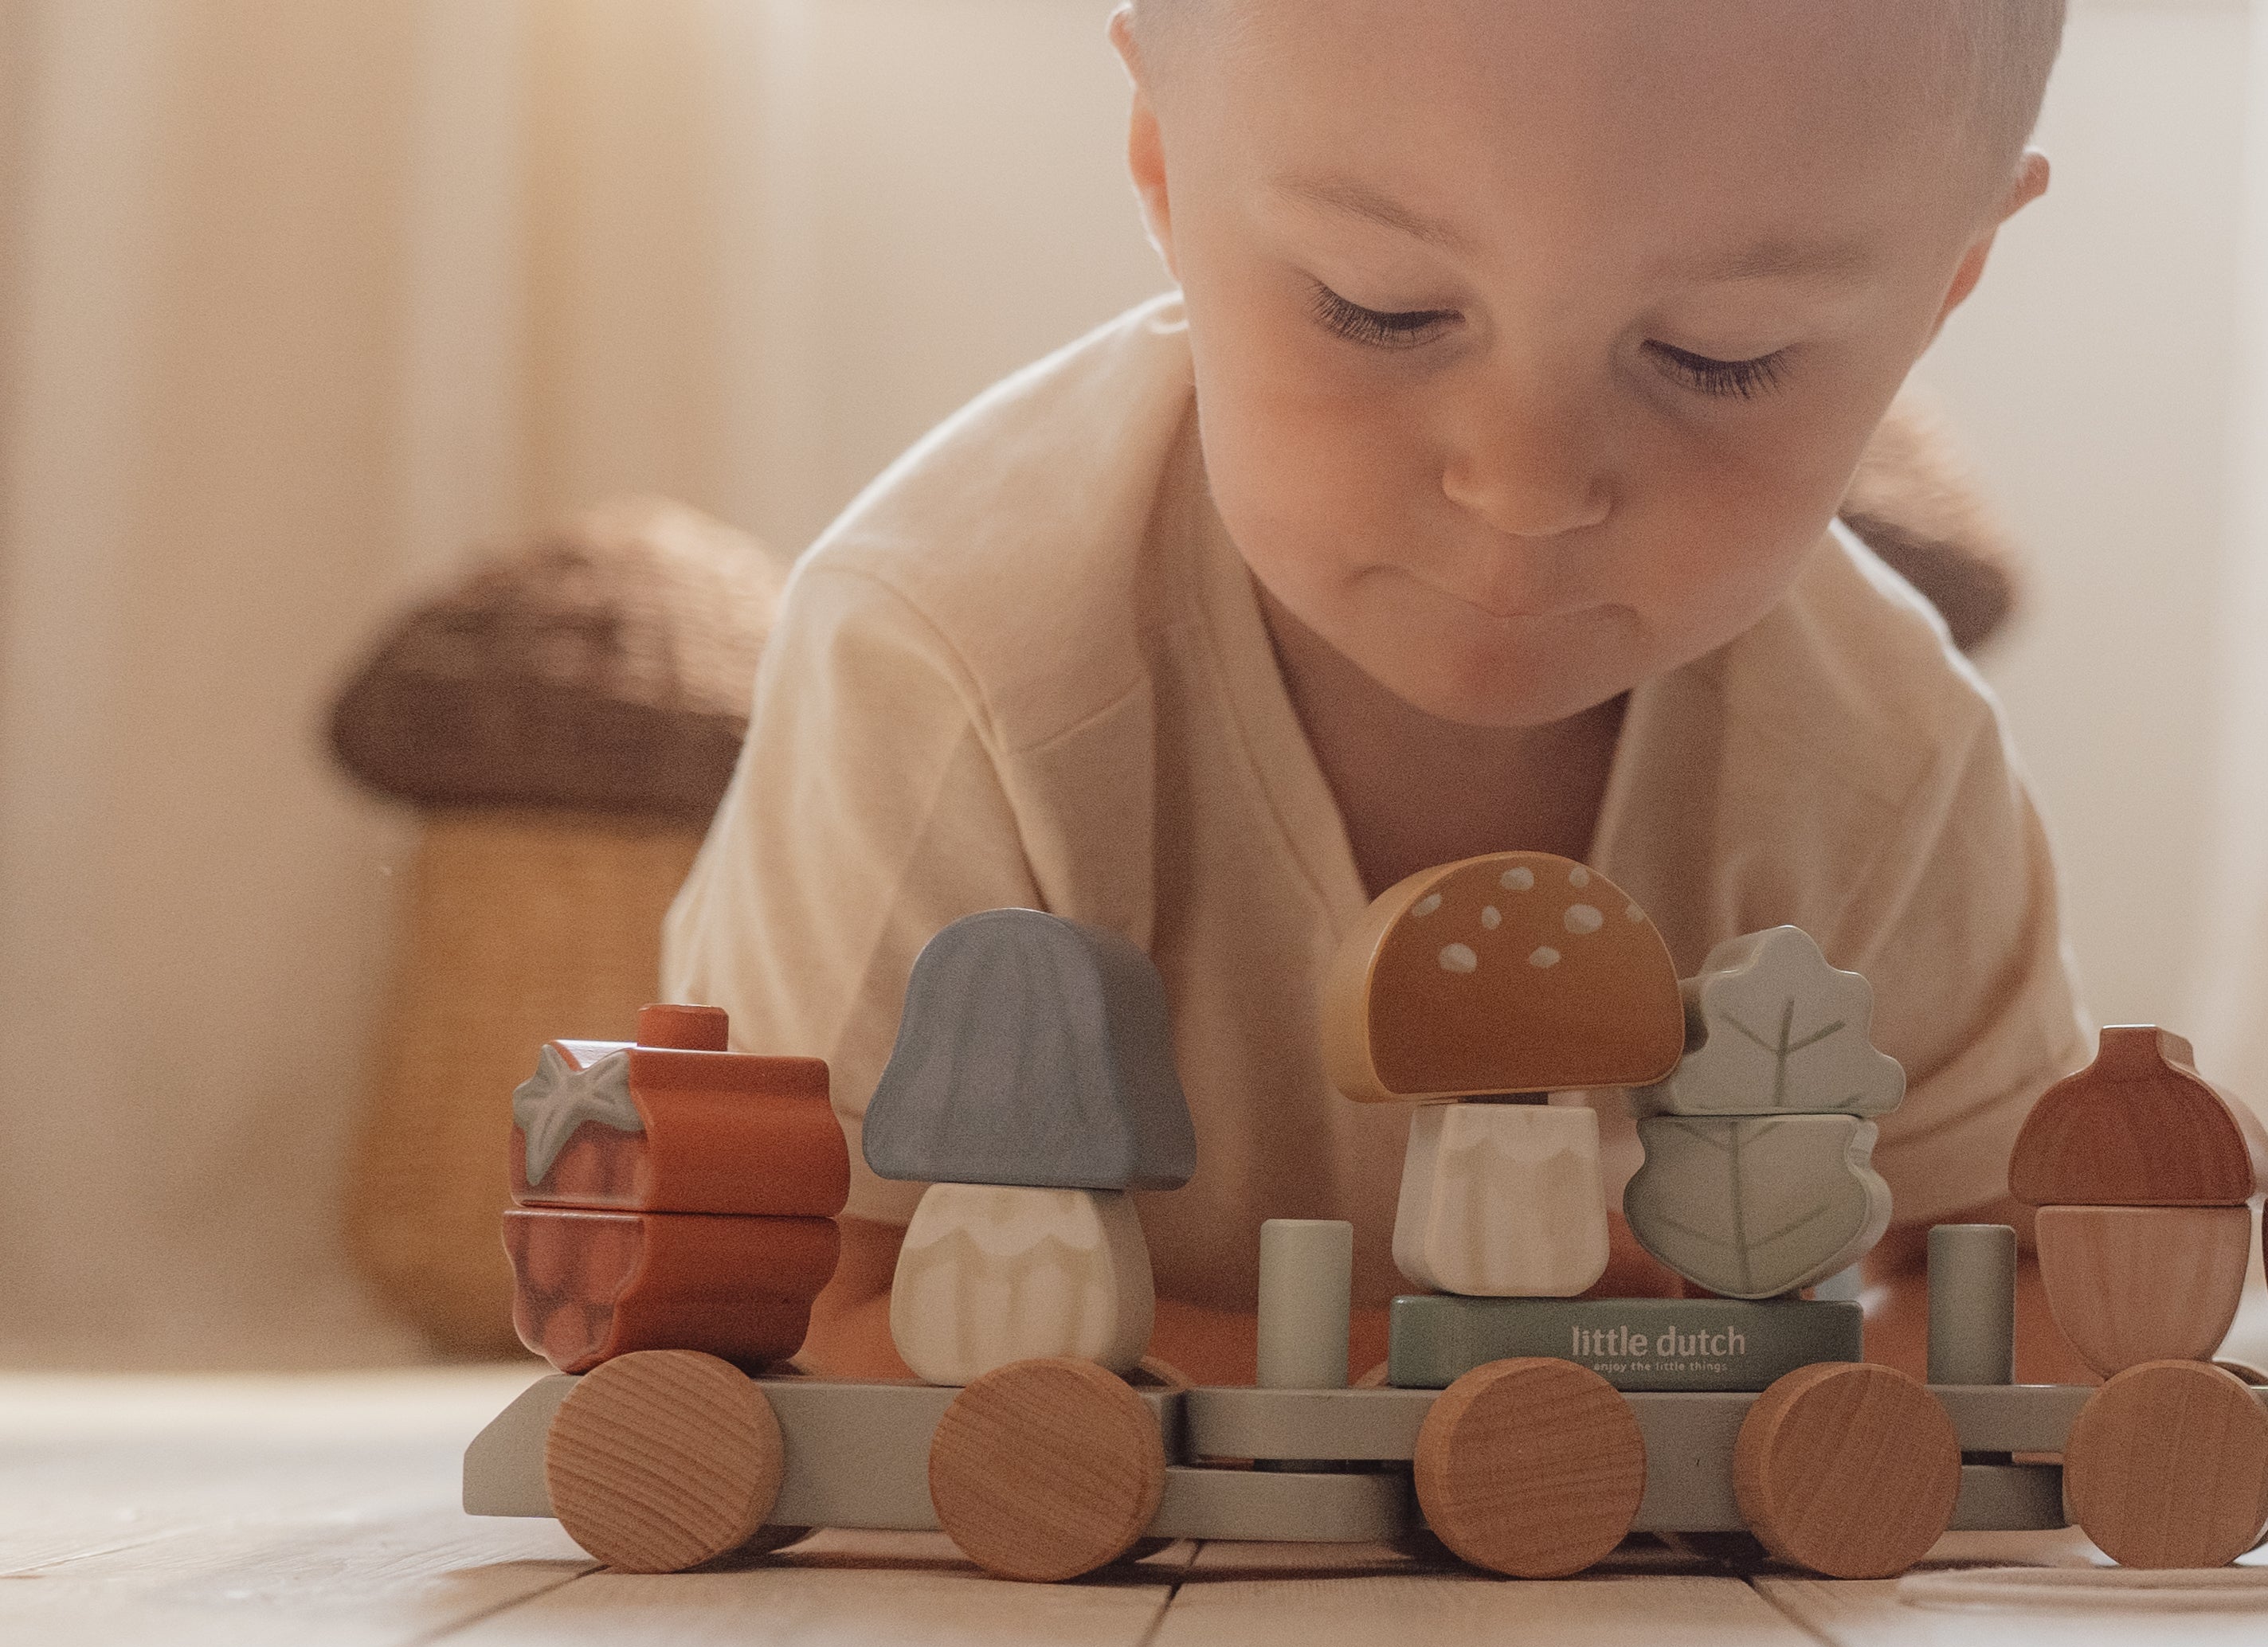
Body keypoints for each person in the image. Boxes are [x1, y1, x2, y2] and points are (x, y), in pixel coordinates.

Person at [665, 0, 2090, 1383]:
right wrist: (1452, 1394)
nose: (1526, 487)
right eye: (1381, 307)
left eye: (1721, 356)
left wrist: (1798, 1429)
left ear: (1944, 288)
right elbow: (796, 1299)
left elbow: (2036, 1279)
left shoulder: (1884, 751)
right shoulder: (948, 658)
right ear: (1163, 165)